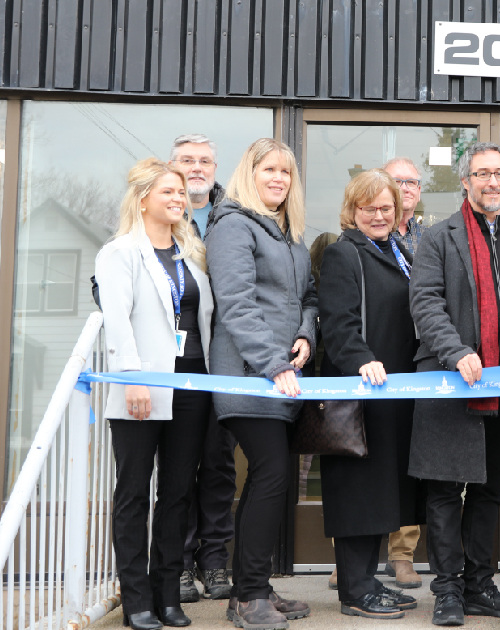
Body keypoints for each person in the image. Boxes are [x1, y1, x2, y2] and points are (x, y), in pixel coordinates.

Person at [407, 142, 500, 626]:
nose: (492, 182)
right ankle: (447, 590)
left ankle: (478, 583)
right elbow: (425, 303)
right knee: (446, 491)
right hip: (451, 379)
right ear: (465, 182)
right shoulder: (438, 238)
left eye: (499, 173)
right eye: (482, 174)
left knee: (491, 489)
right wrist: (456, 351)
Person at [96, 158, 214, 630]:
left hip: (191, 386)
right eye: (168, 192)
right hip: (142, 386)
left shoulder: (191, 253)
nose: (177, 200)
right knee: (132, 495)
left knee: (177, 494)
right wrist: (133, 378)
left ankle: (168, 595)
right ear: (143, 198)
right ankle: (137, 599)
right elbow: (118, 319)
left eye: (181, 193)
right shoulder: (119, 252)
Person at [206, 138, 316, 630]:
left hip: (282, 378)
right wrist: (276, 364)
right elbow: (236, 304)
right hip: (249, 377)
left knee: (271, 480)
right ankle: (249, 596)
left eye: (286, 172)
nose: (278, 178)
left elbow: (308, 298)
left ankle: (252, 588)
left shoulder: (288, 234)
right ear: (248, 173)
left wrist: (304, 337)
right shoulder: (232, 225)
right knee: (272, 475)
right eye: (268, 169)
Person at [317, 169, 424, 619]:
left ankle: (369, 579)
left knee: (383, 492)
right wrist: (361, 358)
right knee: (360, 493)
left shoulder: (396, 250)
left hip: (393, 393)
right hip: (361, 390)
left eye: (386, 208)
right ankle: (356, 590)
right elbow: (338, 322)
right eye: (369, 208)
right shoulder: (345, 253)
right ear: (352, 211)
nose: (379, 215)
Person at [167, 133, 235, 604]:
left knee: (218, 464)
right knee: (177, 469)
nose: (196, 167)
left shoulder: (233, 215)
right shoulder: (158, 210)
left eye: (204, 161)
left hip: (226, 359)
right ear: (172, 167)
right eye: (187, 160)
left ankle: (213, 563)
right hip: (174, 364)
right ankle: (177, 566)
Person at [380, 156, 426, 590]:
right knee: (368, 454)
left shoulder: (430, 237)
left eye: (411, 181)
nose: (405, 187)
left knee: (411, 459)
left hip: (419, 361)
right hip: (374, 362)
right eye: (397, 180)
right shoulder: (361, 235)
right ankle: (352, 554)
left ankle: (402, 555)